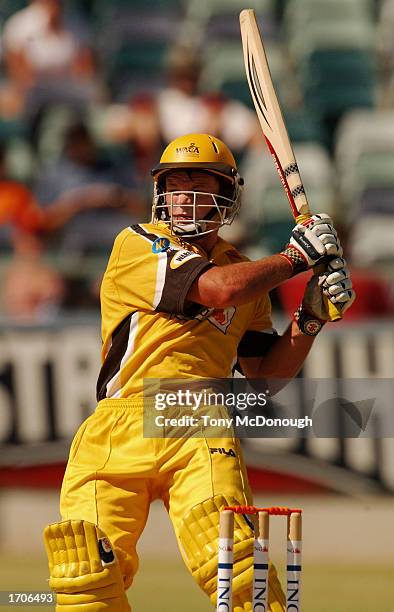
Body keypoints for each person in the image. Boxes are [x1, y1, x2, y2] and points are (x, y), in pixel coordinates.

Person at [43, 133, 355, 611]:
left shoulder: (246, 272)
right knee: (84, 577)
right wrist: (296, 258)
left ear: (227, 196)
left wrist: (308, 320)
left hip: (197, 424)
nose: (183, 197)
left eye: (199, 185)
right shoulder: (138, 244)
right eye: (175, 185)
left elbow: (265, 377)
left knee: (238, 567)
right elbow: (216, 291)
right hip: (117, 425)